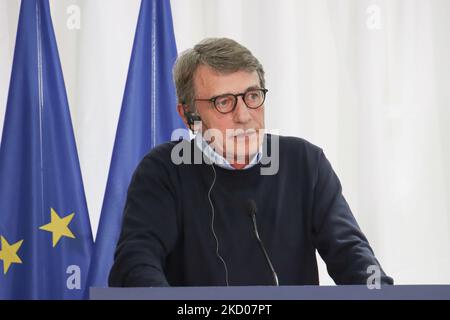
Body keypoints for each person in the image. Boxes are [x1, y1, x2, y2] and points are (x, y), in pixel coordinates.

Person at [108, 38, 393, 287]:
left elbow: (352, 255)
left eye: (252, 96)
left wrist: (379, 291)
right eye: (224, 102)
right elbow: (135, 266)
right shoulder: (162, 171)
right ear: (188, 116)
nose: (244, 115)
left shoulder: (305, 163)